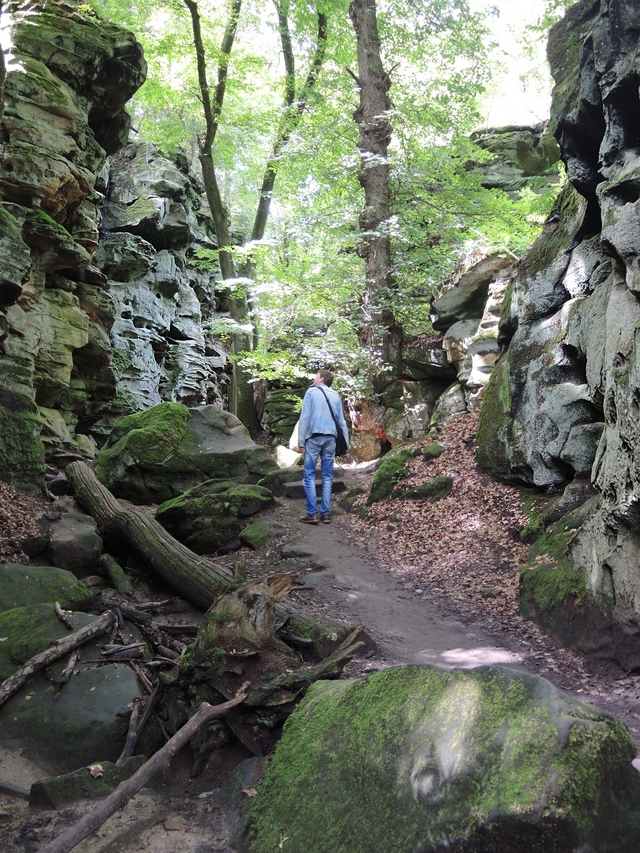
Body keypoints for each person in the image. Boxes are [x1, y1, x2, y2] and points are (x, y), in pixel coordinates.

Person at [296, 369, 350, 525]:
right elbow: (341, 422)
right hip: (331, 438)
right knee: (327, 476)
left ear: (321, 378)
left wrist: (301, 441)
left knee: (310, 475)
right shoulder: (335, 395)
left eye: (316, 375)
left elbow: (305, 417)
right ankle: (325, 513)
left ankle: (312, 513)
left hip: (313, 437)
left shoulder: (311, 392)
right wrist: (346, 445)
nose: (313, 378)